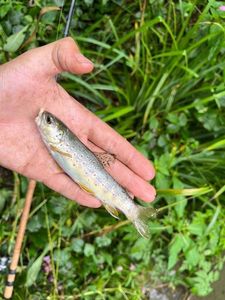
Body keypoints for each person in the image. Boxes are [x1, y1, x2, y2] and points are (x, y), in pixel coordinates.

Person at [0, 37, 156, 208]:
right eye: (50, 120)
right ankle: (129, 208)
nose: (45, 119)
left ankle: (130, 209)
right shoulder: (51, 139)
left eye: (49, 121)